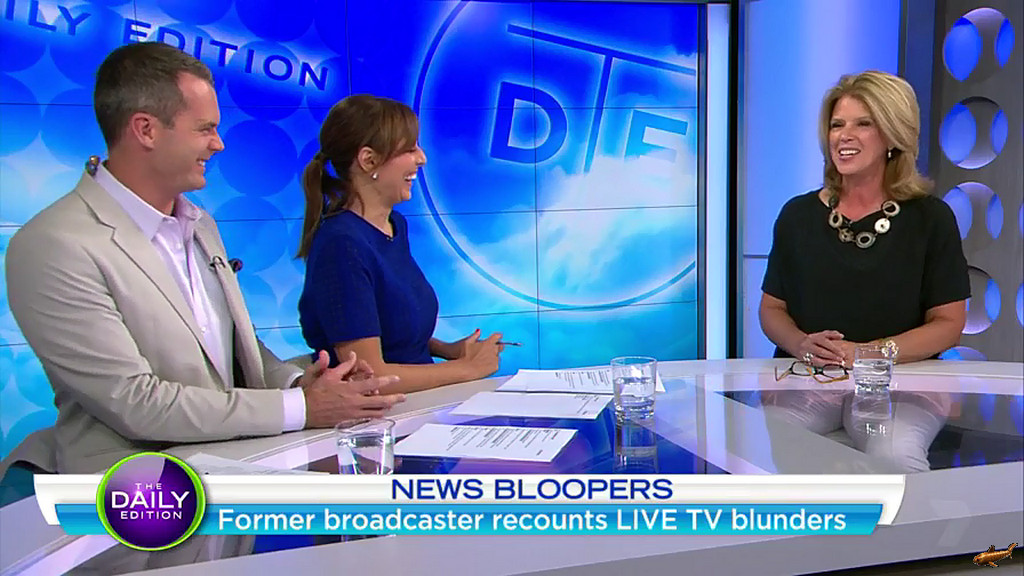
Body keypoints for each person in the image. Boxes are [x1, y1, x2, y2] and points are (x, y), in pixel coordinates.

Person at [0, 42, 405, 479]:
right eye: (205, 129)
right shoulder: (55, 244)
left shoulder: (200, 223)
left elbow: (232, 348)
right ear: (146, 130)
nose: (219, 144)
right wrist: (302, 407)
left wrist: (300, 383)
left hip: (234, 472)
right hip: (134, 495)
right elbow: (136, 403)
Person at [757, 70, 969, 473]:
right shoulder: (797, 215)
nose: (844, 136)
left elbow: (948, 323)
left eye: (863, 124)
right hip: (813, 378)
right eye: (837, 125)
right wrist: (801, 344)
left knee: (894, 457)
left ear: (892, 135)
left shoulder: (931, 218)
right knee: (767, 445)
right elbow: (772, 309)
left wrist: (870, 354)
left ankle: (909, 519)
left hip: (898, 382)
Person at [296, 94, 504, 393]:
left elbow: (389, 326)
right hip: (383, 413)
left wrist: (448, 350)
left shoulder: (395, 226)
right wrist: (468, 369)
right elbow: (370, 376)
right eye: (410, 149)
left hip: (421, 402)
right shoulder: (342, 246)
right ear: (369, 160)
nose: (422, 158)